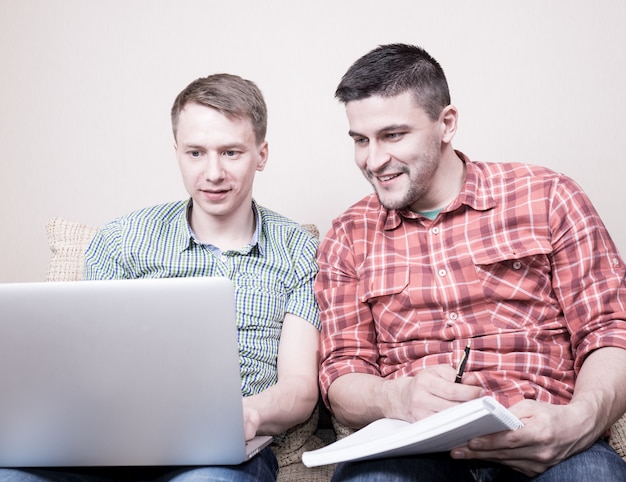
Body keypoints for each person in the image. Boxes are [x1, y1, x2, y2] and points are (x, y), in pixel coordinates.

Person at [316, 43, 626, 481]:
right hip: (412, 450)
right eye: (361, 141)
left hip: (547, 438)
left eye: (393, 135)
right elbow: (342, 374)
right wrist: (398, 397)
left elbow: (610, 330)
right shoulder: (348, 234)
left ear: (446, 124)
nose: (373, 160)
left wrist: (579, 420)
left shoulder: (549, 196)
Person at [1, 74, 320, 482]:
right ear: (177, 153)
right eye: (195, 153)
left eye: (231, 152)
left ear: (262, 154)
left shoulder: (297, 249)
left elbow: (300, 389)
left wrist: (246, 413)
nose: (213, 172)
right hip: (110, 444)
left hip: (221, 454)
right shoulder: (121, 241)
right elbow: (85, 368)